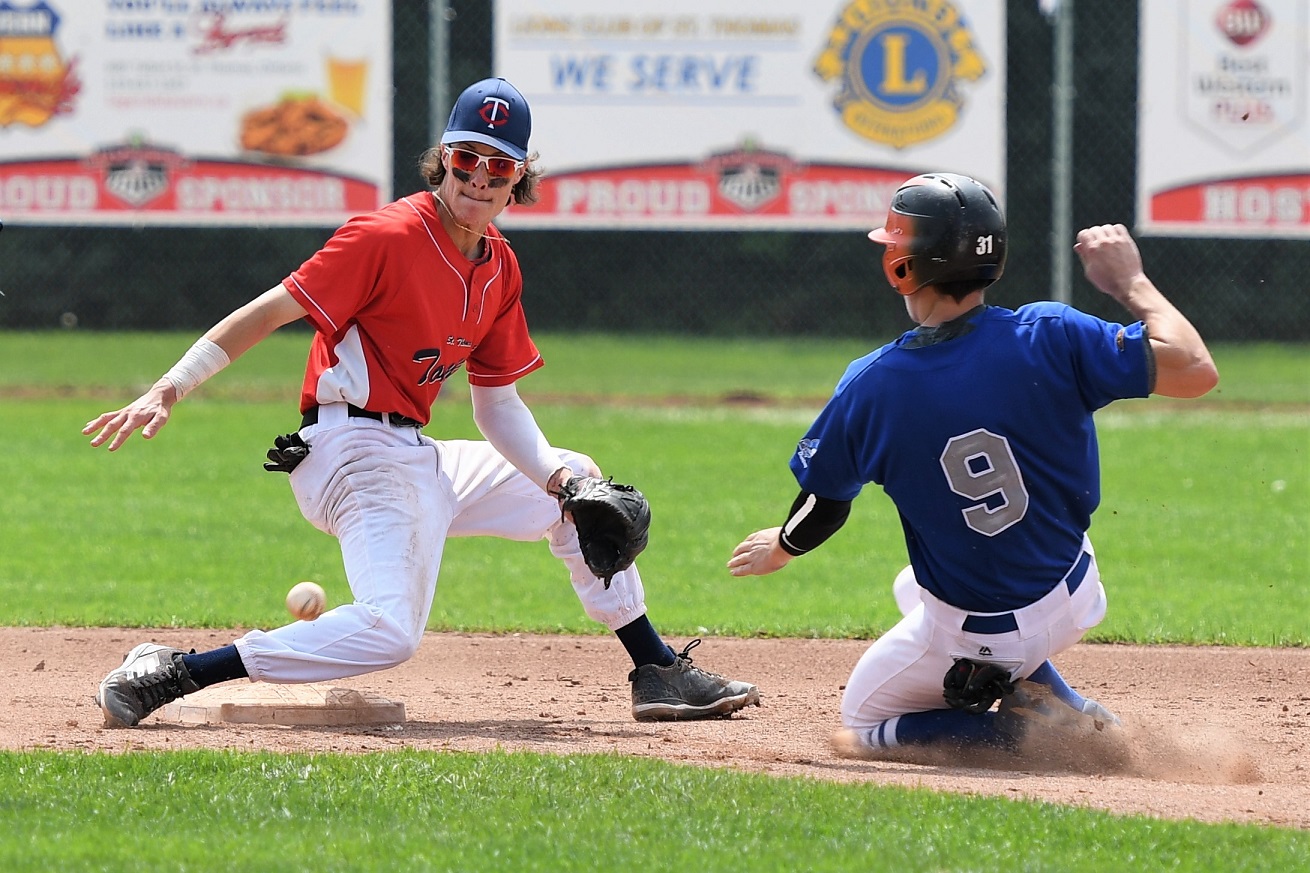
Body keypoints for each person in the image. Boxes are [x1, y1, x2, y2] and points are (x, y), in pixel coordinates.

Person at [85, 77, 759, 728]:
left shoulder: (500, 267)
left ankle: (656, 668)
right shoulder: (385, 236)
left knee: (581, 487)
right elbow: (269, 312)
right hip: (348, 450)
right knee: (391, 631)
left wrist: (562, 483)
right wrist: (170, 385)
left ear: (519, 178)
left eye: (499, 166)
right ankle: (174, 670)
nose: (479, 178)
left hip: (412, 452)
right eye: (467, 159)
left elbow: (497, 406)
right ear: (443, 160)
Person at [727, 172, 1216, 757]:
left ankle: (1032, 734)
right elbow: (1195, 370)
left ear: (902, 267)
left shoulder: (874, 384)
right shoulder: (1052, 333)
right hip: (1076, 593)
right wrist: (1131, 281)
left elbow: (824, 505)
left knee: (860, 726)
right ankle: (1049, 693)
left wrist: (783, 547)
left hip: (980, 632)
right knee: (909, 585)